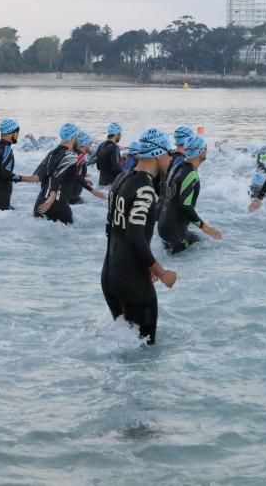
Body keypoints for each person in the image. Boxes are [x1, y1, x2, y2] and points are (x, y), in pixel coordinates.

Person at [101, 128, 177, 345]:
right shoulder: (144, 188)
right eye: (168, 153)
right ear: (156, 154)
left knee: (124, 347)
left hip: (109, 275)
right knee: (145, 354)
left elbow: (112, 230)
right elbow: (134, 238)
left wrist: (146, 264)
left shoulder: (120, 180)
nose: (170, 158)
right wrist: (161, 272)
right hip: (132, 281)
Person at [157, 134, 222, 254]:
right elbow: (185, 204)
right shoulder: (191, 173)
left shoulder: (178, 167)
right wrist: (205, 227)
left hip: (164, 225)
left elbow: (165, 194)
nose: (207, 150)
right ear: (199, 151)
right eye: (205, 147)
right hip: (174, 231)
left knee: (199, 242)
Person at [32, 123, 85, 224]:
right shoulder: (72, 156)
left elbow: (37, 177)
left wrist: (17, 177)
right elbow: (58, 176)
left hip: (40, 202)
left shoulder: (51, 154)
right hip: (58, 205)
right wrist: (52, 197)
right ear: (73, 137)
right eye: (77, 136)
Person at [0, 118, 38, 211]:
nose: (18, 135)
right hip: (0, 202)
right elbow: (5, 174)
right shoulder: (7, 149)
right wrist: (29, 179)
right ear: (14, 133)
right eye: (17, 132)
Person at [95, 122, 124, 187]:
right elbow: (116, 169)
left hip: (101, 184)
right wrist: (128, 174)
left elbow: (98, 166)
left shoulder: (101, 145)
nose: (120, 136)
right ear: (117, 134)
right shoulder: (115, 147)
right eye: (120, 134)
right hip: (111, 186)